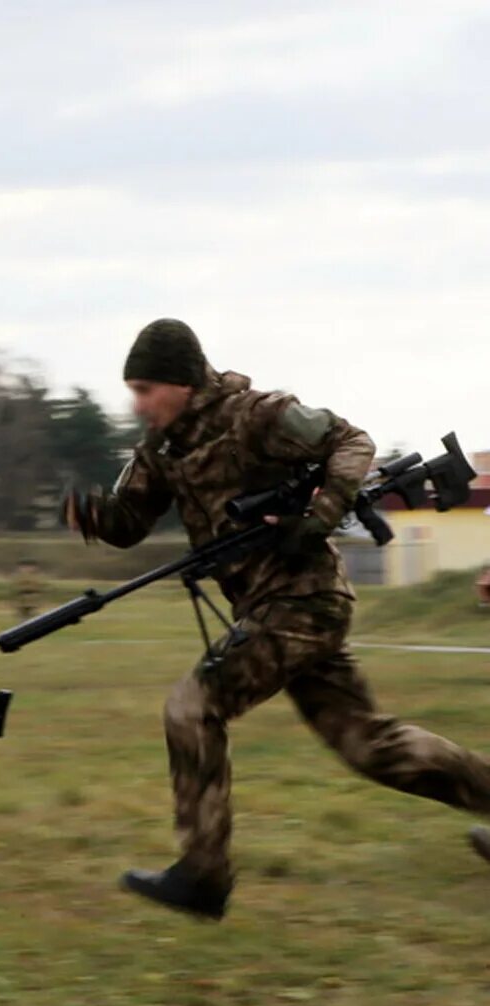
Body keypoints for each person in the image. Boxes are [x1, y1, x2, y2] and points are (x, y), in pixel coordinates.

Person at [66, 318, 490, 919]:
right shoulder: (162, 449)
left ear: (181, 382)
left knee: (193, 707)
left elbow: (352, 442)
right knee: (370, 746)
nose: (136, 403)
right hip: (270, 608)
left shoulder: (257, 415)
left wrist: (316, 519)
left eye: (144, 388)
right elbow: (128, 523)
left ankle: (204, 875)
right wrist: (90, 515)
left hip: (304, 601)